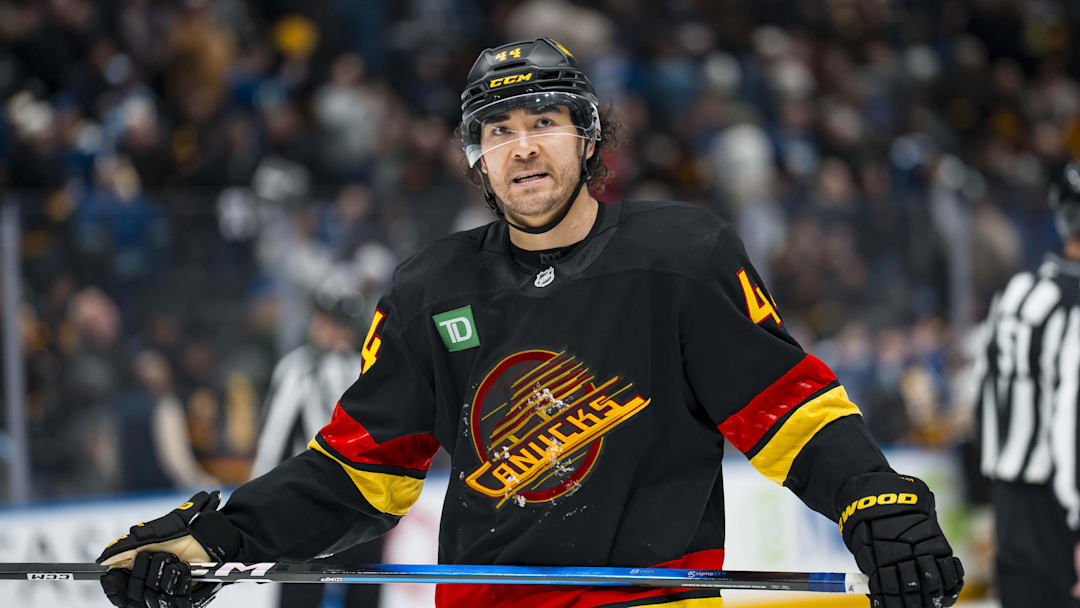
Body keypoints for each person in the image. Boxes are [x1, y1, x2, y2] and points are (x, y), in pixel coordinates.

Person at [96, 38, 963, 608]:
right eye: (498, 130)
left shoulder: (682, 257)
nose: (522, 148)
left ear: (588, 139)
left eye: (544, 122)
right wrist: (213, 537)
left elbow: (788, 409)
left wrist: (871, 500)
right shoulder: (430, 290)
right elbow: (356, 476)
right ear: (477, 159)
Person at [975, 162, 1080, 608]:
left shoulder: (1017, 290)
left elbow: (984, 394)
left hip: (1011, 503)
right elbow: (1072, 419)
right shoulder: (1076, 304)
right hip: (1060, 509)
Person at [250, 293, 384, 608]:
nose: (329, 329)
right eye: (325, 319)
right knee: (306, 593)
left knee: (352, 593)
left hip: (349, 504)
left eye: (337, 322)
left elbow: (271, 444)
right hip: (327, 504)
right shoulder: (302, 367)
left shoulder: (362, 367)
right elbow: (272, 442)